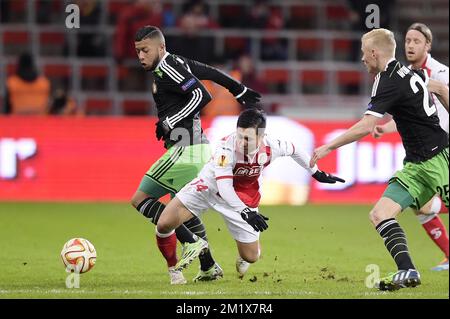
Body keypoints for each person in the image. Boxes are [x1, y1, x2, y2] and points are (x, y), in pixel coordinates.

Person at [310, 28, 449, 291]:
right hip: (417, 167)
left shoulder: (387, 79)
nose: (362, 59)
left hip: (439, 161)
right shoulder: (410, 72)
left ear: (374, 53)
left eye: (364, 53)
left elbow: (366, 125)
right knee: (380, 214)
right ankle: (407, 270)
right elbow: (441, 89)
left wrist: (329, 146)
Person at [131, 26, 261, 284]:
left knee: (140, 199)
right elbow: (210, 72)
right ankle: (209, 265)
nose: (141, 56)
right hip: (194, 150)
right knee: (185, 212)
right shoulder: (177, 63)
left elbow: (202, 94)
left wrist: (170, 121)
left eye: (145, 50)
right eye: (137, 52)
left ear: (161, 48)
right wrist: (239, 90)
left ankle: (192, 243)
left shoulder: (169, 67)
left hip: (187, 150)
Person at [155, 109, 345, 279]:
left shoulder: (272, 146)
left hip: (245, 195)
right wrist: (246, 212)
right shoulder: (225, 149)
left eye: (247, 139)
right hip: (209, 187)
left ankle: (244, 256)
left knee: (251, 257)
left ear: (261, 137)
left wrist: (316, 173)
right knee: (164, 224)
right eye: (239, 136)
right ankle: (174, 269)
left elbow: (295, 150)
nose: (241, 142)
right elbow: (225, 187)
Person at [373, 23, 449, 271]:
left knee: (426, 205)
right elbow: (412, 115)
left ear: (428, 45)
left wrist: (443, 91)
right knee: (420, 206)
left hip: (443, 149)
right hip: (424, 155)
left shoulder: (441, 74)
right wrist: (386, 127)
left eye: (417, 41)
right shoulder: (405, 75)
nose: (411, 45)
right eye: (407, 41)